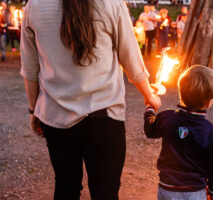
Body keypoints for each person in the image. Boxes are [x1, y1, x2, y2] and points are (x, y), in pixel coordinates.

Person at [20, 0, 161, 199]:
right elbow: (131, 59)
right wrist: (149, 96)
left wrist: (33, 110)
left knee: (65, 188)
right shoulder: (111, 4)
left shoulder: (34, 6)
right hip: (104, 116)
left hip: (55, 116)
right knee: (106, 193)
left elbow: (30, 69)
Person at [144, 66, 213, 200]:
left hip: (166, 189)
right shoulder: (210, 130)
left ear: (181, 93)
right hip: (194, 192)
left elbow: (149, 130)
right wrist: (212, 189)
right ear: (209, 101)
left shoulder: (167, 118)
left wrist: (150, 108)